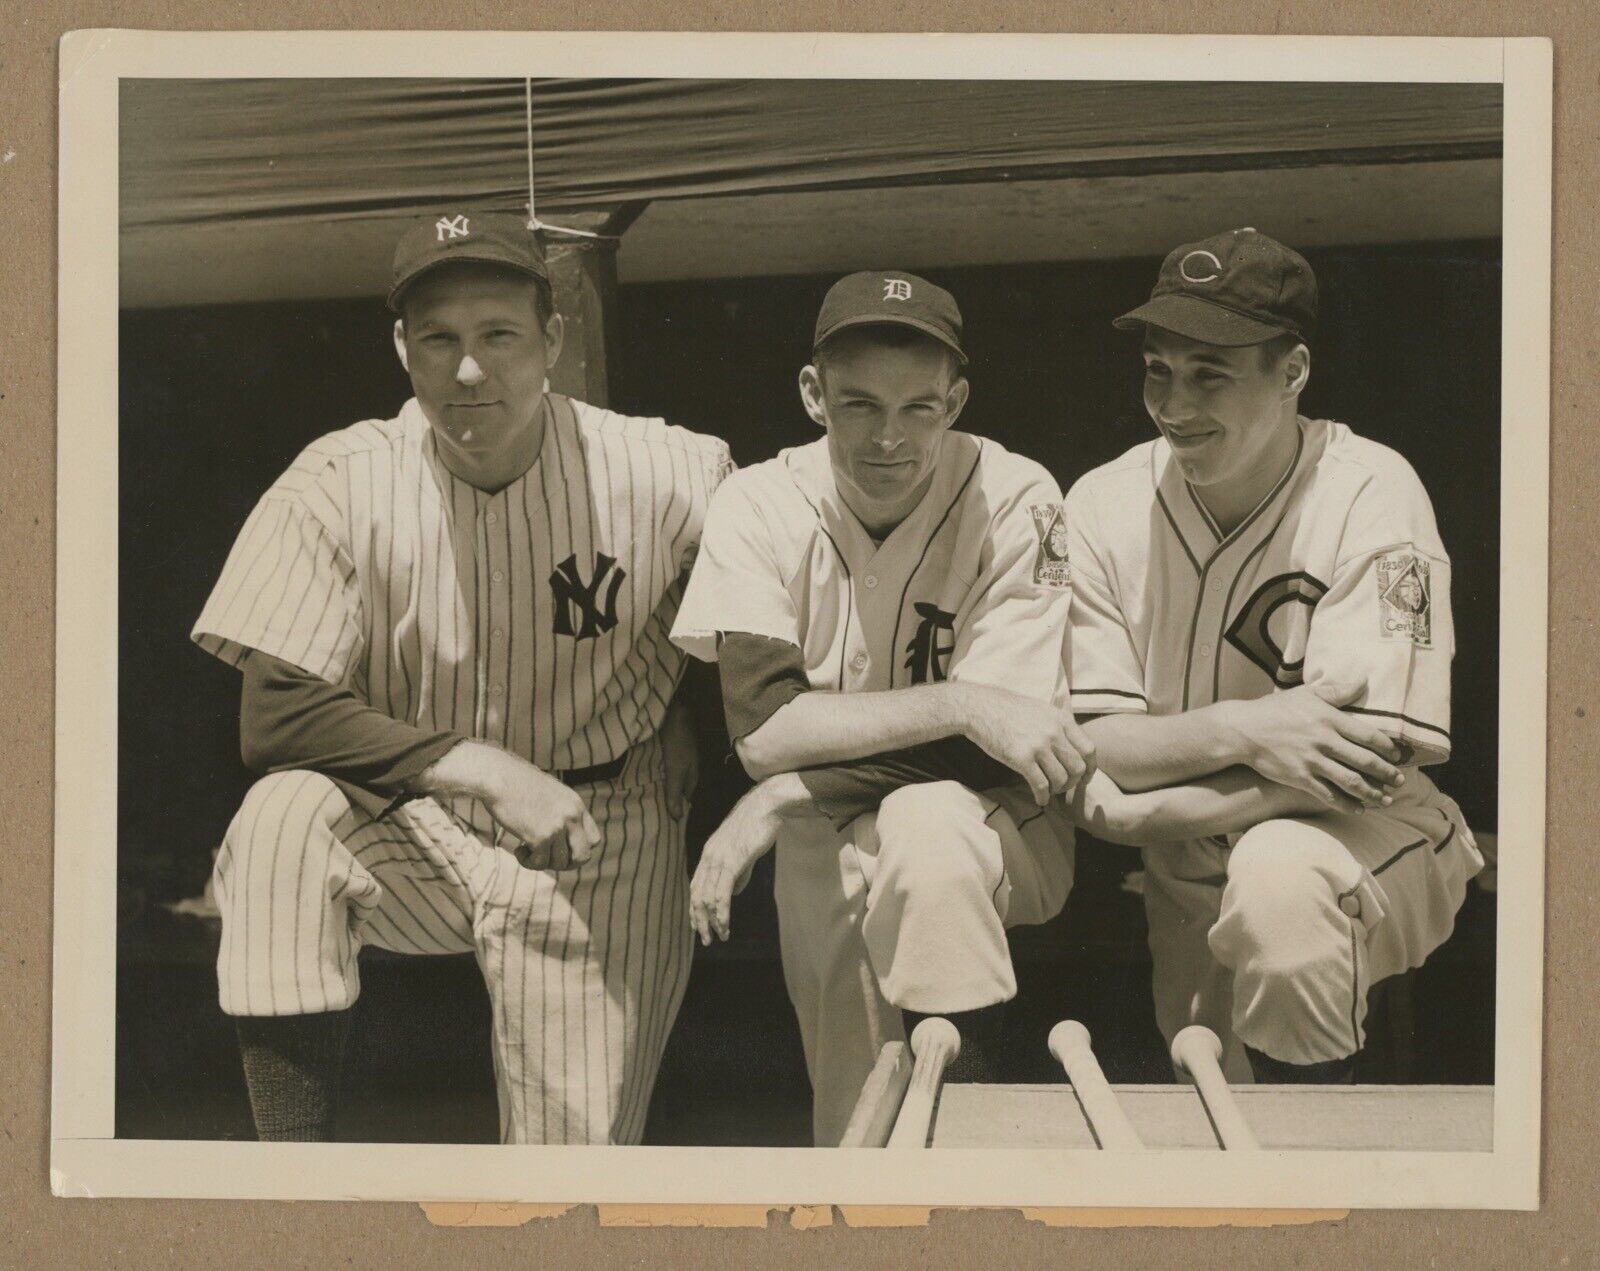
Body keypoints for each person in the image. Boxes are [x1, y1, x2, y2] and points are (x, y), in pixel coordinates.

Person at [191, 210, 732, 1143]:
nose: (469, 369)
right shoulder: (339, 478)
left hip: (601, 829)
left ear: (554, 340)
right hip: (417, 825)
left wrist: (690, 703)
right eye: (438, 338)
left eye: (499, 335)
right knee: (279, 825)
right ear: (402, 347)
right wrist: (478, 765)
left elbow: (776, 615)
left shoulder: (674, 471)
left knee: (571, 1182)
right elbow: (273, 714)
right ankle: (294, 1185)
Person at [670, 270, 1093, 1144]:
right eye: (860, 405)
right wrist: (964, 701)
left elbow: (1014, 746)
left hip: (999, 819)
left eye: (920, 409)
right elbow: (763, 732)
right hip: (824, 848)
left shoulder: (1019, 496)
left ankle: (970, 1164)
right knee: (852, 1124)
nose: (889, 438)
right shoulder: (757, 501)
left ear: (958, 400)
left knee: (927, 824)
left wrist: (789, 792)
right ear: (812, 394)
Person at [1064, 228, 1483, 1082]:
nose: (1174, 403)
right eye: (1158, 369)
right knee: (1220, 1108)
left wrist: (1145, 811)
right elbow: (1092, 743)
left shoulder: (1369, 488)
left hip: (1366, 830)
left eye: (1209, 373)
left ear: (1291, 373)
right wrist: (1251, 727)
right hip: (1187, 864)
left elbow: (1368, 762)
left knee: (1279, 881)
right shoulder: (1103, 503)